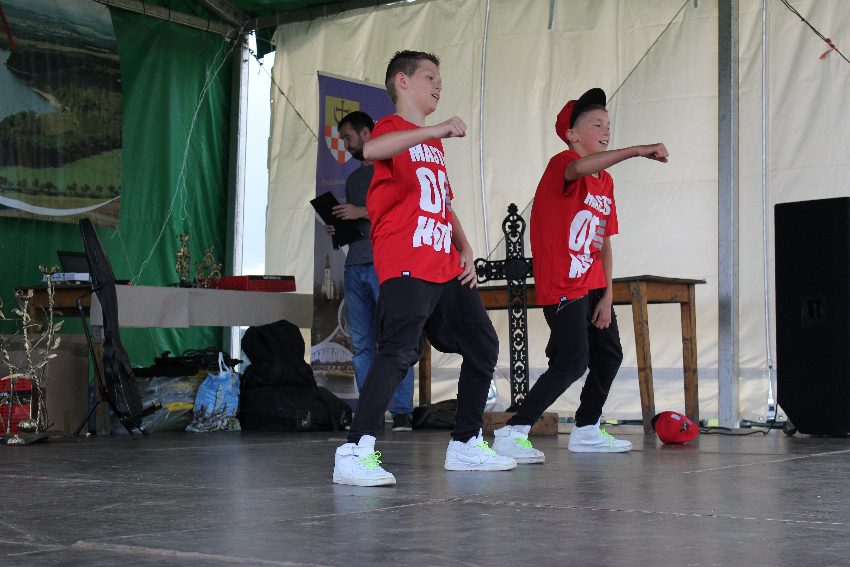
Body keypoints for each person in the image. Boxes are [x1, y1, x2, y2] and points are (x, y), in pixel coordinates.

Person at [332, 50, 516, 486]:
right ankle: (354, 450)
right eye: (429, 76)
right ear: (402, 81)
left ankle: (465, 443)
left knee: (483, 344)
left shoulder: (431, 144)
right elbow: (372, 148)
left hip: (444, 262)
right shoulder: (392, 128)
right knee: (399, 349)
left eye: (439, 78)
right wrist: (437, 128)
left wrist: (465, 247)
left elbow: (443, 203)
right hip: (407, 259)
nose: (438, 84)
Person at [491, 88, 669, 462]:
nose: (606, 131)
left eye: (608, 125)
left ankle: (587, 428)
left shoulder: (606, 181)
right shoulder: (563, 163)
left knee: (609, 354)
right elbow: (578, 169)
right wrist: (637, 151)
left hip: (593, 284)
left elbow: (603, 240)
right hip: (563, 282)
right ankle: (514, 430)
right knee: (572, 361)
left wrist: (607, 294)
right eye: (596, 124)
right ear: (572, 134)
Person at [330, 110, 415, 432]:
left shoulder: (392, 166)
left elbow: (404, 208)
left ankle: (402, 411)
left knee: (395, 339)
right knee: (362, 344)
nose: (345, 144)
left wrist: (360, 211)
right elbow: (360, 223)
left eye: (348, 137)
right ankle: (370, 412)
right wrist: (339, 226)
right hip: (355, 264)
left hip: (386, 264)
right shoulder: (353, 179)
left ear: (366, 133)